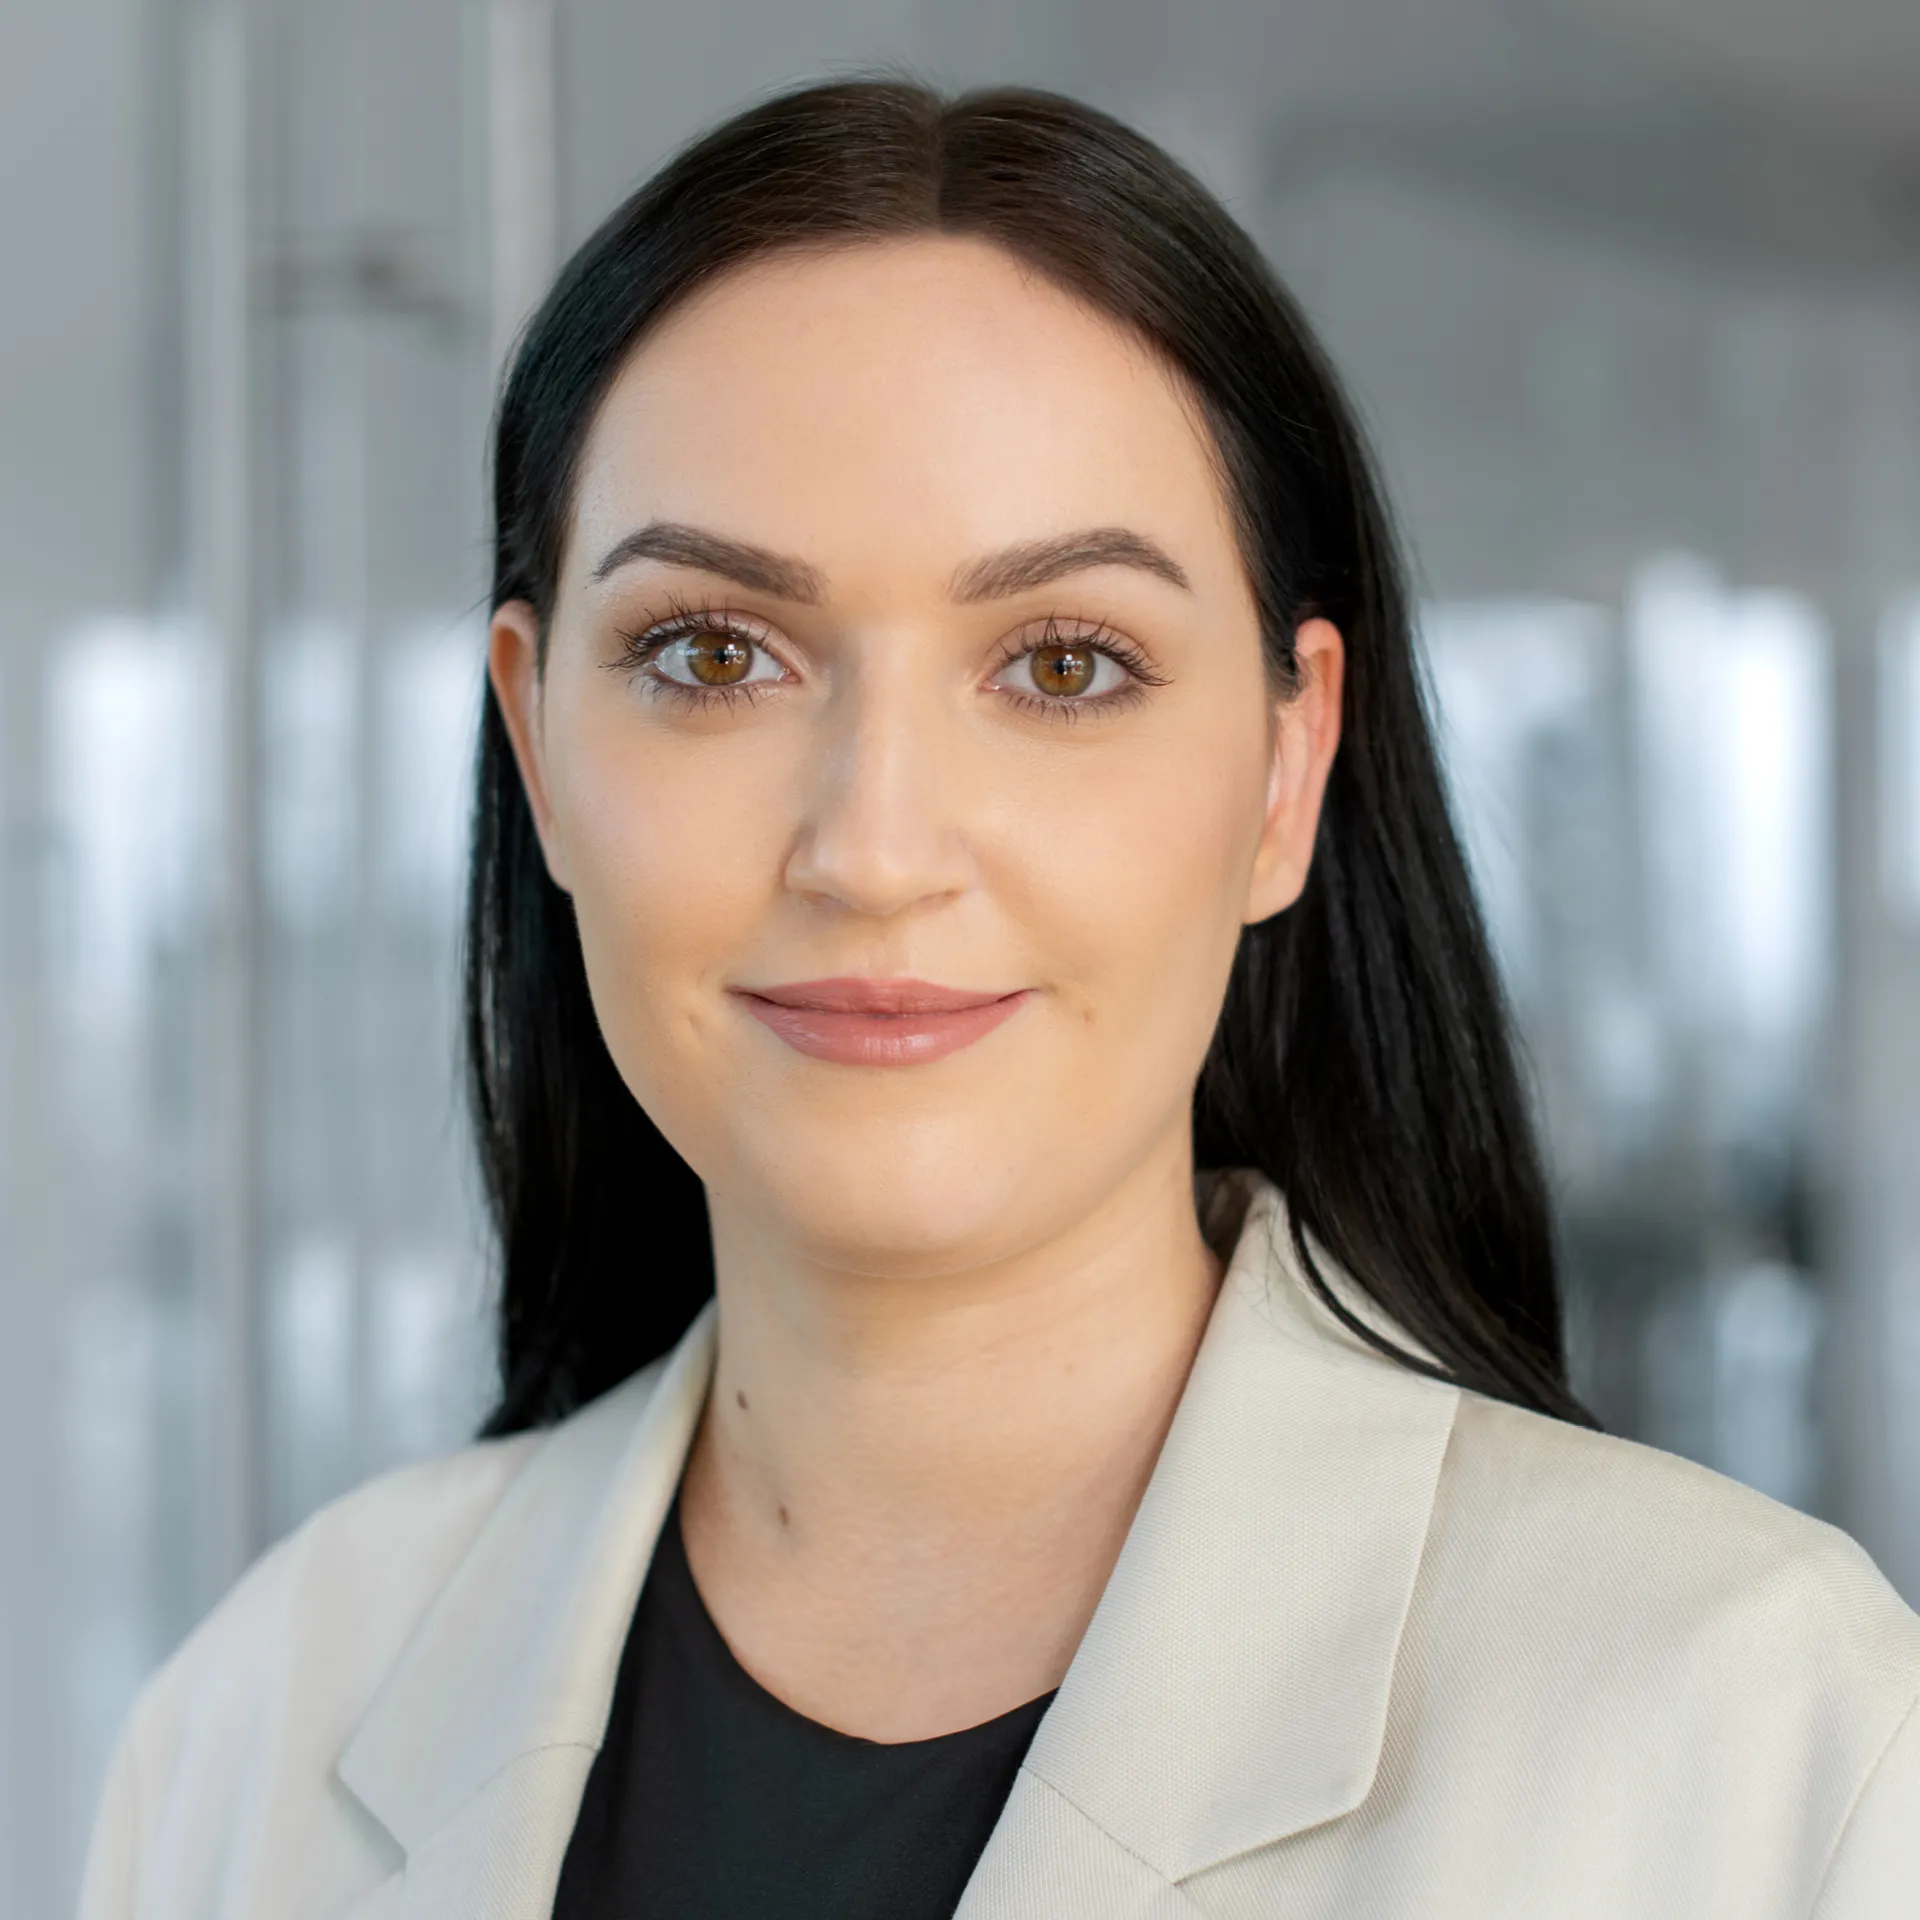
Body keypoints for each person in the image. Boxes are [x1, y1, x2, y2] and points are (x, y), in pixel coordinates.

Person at [80, 80, 1917, 1920]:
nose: (874, 846)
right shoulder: (262, 1724)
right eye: (712, 654)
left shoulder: (1762, 1740)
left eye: (1062, 663)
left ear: (1288, 776)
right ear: (537, 744)